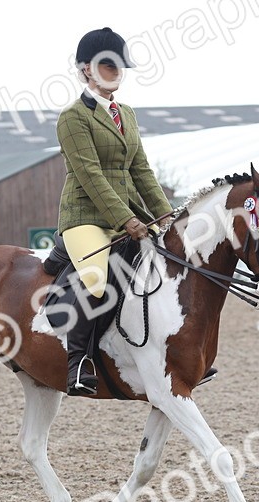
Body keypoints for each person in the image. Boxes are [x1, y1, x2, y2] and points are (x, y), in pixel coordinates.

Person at [56, 27, 173, 396]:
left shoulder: (127, 114)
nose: (115, 71)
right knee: (96, 278)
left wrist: (167, 216)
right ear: (86, 70)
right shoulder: (73, 117)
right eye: (108, 65)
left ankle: (173, 353)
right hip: (85, 216)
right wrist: (127, 220)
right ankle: (78, 362)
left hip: (129, 214)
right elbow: (90, 176)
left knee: (167, 264)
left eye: (120, 65)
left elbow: (141, 172)